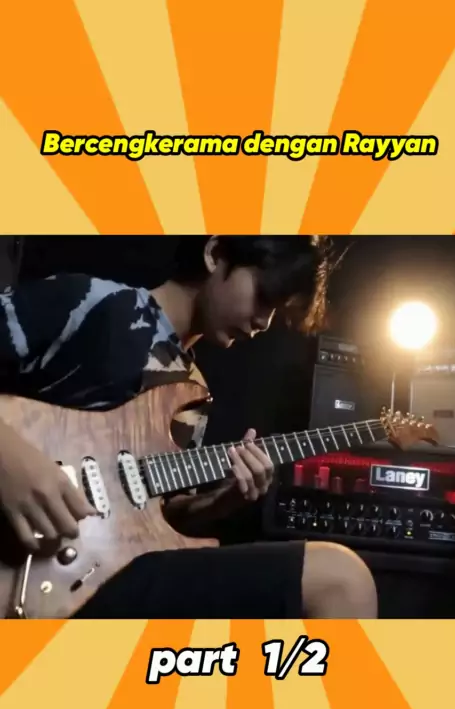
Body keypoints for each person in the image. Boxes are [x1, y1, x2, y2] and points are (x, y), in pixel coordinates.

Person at [0, 235, 377, 619]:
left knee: (340, 581)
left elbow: (164, 514)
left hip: (91, 574)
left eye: (277, 311)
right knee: (340, 578)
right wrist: (8, 456)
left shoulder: (192, 393)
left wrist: (223, 500)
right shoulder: (93, 302)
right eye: (265, 297)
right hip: (19, 561)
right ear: (215, 255)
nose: (264, 322)